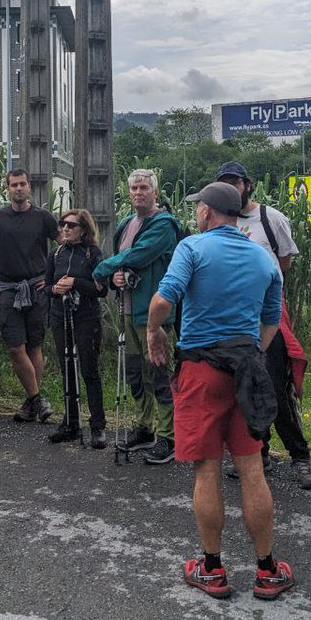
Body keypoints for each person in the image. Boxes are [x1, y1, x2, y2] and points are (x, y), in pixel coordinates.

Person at [147, 182, 294, 602]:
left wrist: (153, 330)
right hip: (247, 368)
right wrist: (249, 355)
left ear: (208, 212)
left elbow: (163, 301)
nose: (196, 214)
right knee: (251, 468)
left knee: (207, 469)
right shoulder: (264, 258)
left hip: (201, 370)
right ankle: (267, 569)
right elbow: (271, 324)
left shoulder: (192, 249)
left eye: (199, 208)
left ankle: (212, 568)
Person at [215, 162, 311, 489]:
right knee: (242, 387)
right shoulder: (219, 221)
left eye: (236, 182)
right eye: (224, 184)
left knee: (275, 385)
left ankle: (301, 457)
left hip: (265, 315)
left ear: (248, 184)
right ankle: (260, 453)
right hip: (233, 319)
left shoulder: (270, 219)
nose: (231, 189)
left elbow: (284, 261)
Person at [92, 168, 181, 465]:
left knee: (160, 373)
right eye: (134, 189)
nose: (139, 193)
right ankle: (145, 427)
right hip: (127, 310)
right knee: (135, 373)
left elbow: (141, 255)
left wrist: (103, 268)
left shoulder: (165, 224)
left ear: (155, 192)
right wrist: (116, 277)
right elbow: (126, 263)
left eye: (144, 188)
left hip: (154, 312)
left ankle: (168, 436)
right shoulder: (126, 223)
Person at [0, 169, 59, 424]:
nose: (18, 188)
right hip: (8, 289)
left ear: (29, 187)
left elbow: (64, 244)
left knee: (35, 346)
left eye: (22, 184)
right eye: (14, 184)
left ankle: (31, 402)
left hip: (37, 288)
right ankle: (38, 400)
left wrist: (53, 281)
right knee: (16, 347)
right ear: (7, 188)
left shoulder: (43, 218)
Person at [45, 208, 108, 449]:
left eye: (71, 225)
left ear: (83, 230)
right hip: (61, 316)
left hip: (86, 318)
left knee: (89, 369)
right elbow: (46, 286)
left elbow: (102, 289)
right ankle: (70, 423)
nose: (65, 229)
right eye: (63, 224)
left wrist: (76, 283)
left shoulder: (92, 253)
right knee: (66, 367)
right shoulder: (56, 254)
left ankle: (97, 425)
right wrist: (55, 289)